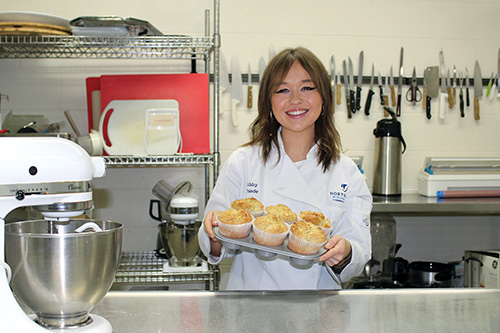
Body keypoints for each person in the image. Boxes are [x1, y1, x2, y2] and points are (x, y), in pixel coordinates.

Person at [198, 47, 372, 290]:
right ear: (269, 101)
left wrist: (345, 252)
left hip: (319, 312)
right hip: (253, 308)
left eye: (307, 88)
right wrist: (214, 234)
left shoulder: (346, 172)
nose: (296, 100)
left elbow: (359, 250)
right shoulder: (243, 163)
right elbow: (214, 248)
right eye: (282, 90)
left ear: (324, 97)